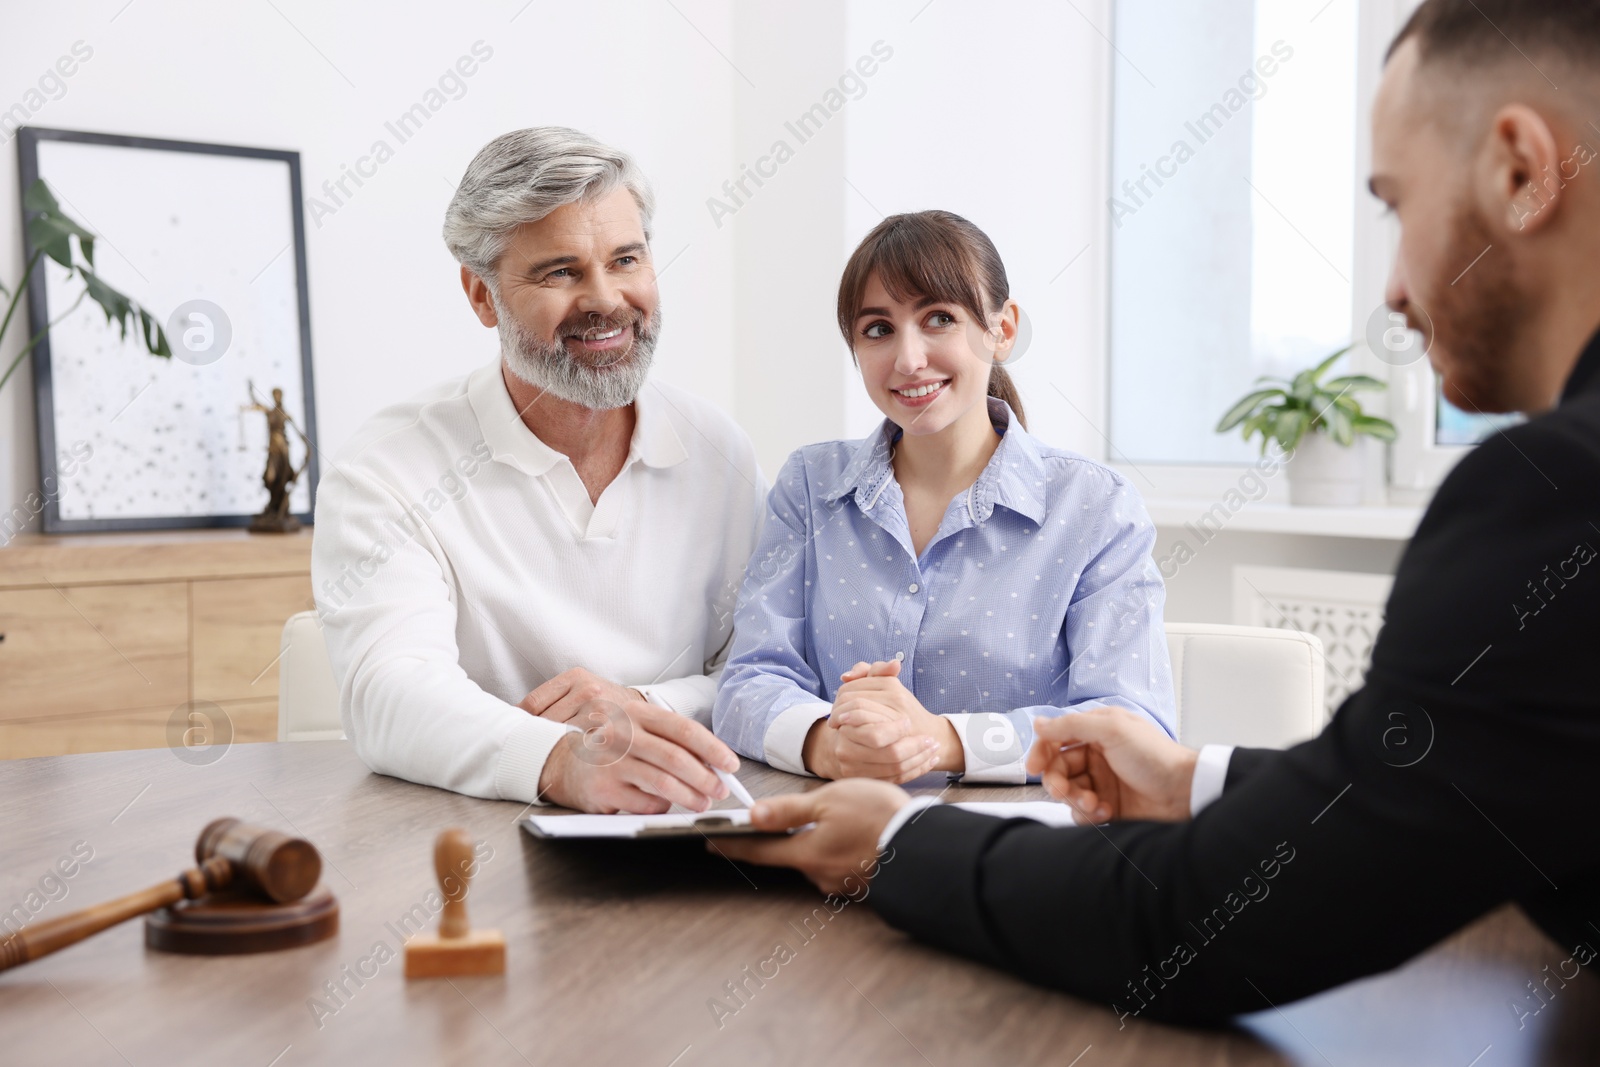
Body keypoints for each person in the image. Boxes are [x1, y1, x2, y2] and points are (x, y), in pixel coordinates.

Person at [720, 0, 1600, 1024]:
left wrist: (895, 837)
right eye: (877, 328)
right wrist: (1195, 776)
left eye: (1395, 205)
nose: (1395, 291)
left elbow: (1195, 921)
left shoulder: (1552, 497)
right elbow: (1426, 784)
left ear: (1521, 170)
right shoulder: (810, 481)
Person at [313, 127, 762, 814]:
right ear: (482, 295)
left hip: (689, 824)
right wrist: (560, 760)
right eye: (561, 271)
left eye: (626, 260)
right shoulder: (386, 468)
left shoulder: (717, 450)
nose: (606, 299)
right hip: (466, 843)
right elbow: (388, 692)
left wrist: (637, 705)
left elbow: (763, 666)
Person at [713, 211, 1174, 785]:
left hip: (1017, 852)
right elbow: (748, 679)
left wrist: (944, 740)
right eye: (878, 329)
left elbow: (1136, 726)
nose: (908, 360)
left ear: (1001, 331)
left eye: (939, 319)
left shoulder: (1094, 506)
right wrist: (822, 741)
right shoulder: (810, 484)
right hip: (836, 839)